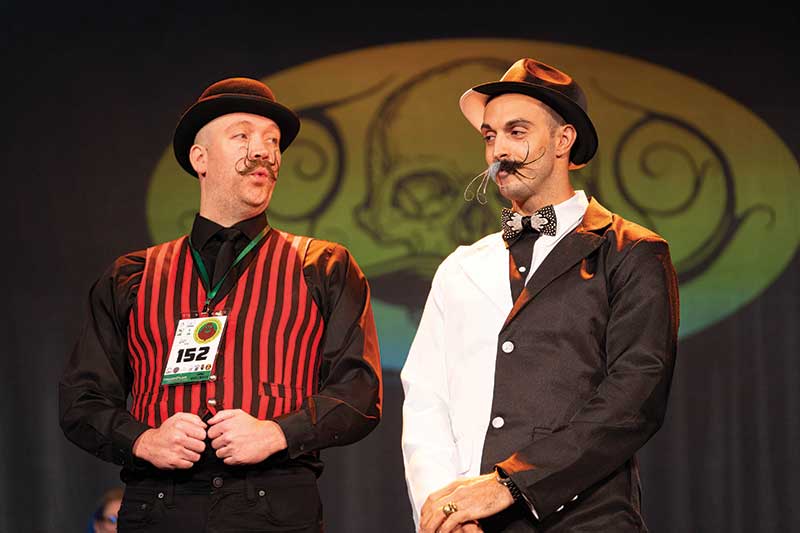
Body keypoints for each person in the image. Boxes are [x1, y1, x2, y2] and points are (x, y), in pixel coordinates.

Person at [60, 77, 383, 532]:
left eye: (272, 142)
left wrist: (277, 432)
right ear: (200, 158)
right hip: (159, 503)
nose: (264, 152)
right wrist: (143, 440)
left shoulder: (323, 266)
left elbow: (359, 391)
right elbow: (82, 399)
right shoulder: (132, 277)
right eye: (243, 136)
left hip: (274, 503)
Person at [401, 58, 679, 532]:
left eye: (517, 131)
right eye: (490, 136)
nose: (498, 151)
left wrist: (511, 482)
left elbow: (634, 396)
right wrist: (444, 508)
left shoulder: (631, 252)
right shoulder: (459, 267)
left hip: (587, 517)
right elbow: (427, 400)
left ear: (563, 141)